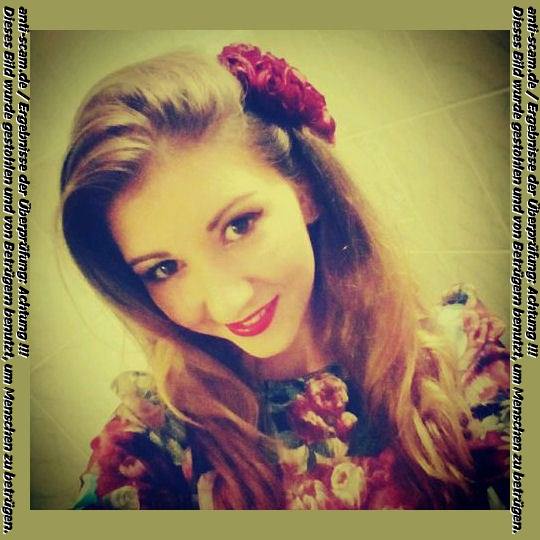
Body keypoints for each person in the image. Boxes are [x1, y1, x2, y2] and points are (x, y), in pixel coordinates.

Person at [61, 44, 509, 510]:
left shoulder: (458, 353)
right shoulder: (160, 437)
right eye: (164, 268)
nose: (228, 302)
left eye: (238, 226)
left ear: (306, 193)